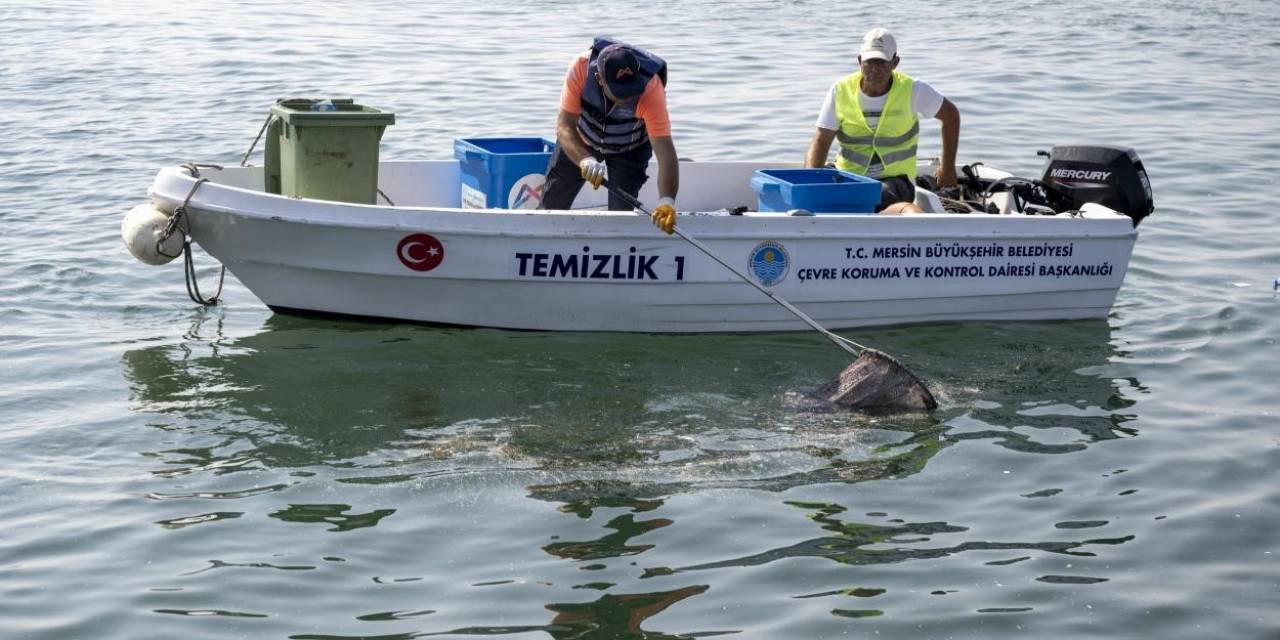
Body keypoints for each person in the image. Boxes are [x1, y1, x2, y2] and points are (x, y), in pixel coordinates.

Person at [804, 28, 960, 214]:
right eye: (869, 62)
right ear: (859, 61)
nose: (875, 69)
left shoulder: (914, 90)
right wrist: (810, 182)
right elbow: (820, 142)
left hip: (896, 180)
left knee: (870, 197)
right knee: (818, 189)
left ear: (895, 62)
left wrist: (948, 168)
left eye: (882, 62)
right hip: (849, 176)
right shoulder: (840, 90)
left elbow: (951, 116)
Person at [540, 37, 680, 234]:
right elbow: (564, 127)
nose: (627, 98)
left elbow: (666, 155)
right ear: (600, 79)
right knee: (552, 205)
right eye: (620, 93)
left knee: (621, 218)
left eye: (632, 90)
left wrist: (667, 201)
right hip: (582, 138)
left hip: (630, 148)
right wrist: (585, 161)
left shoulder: (651, 89)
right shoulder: (580, 68)